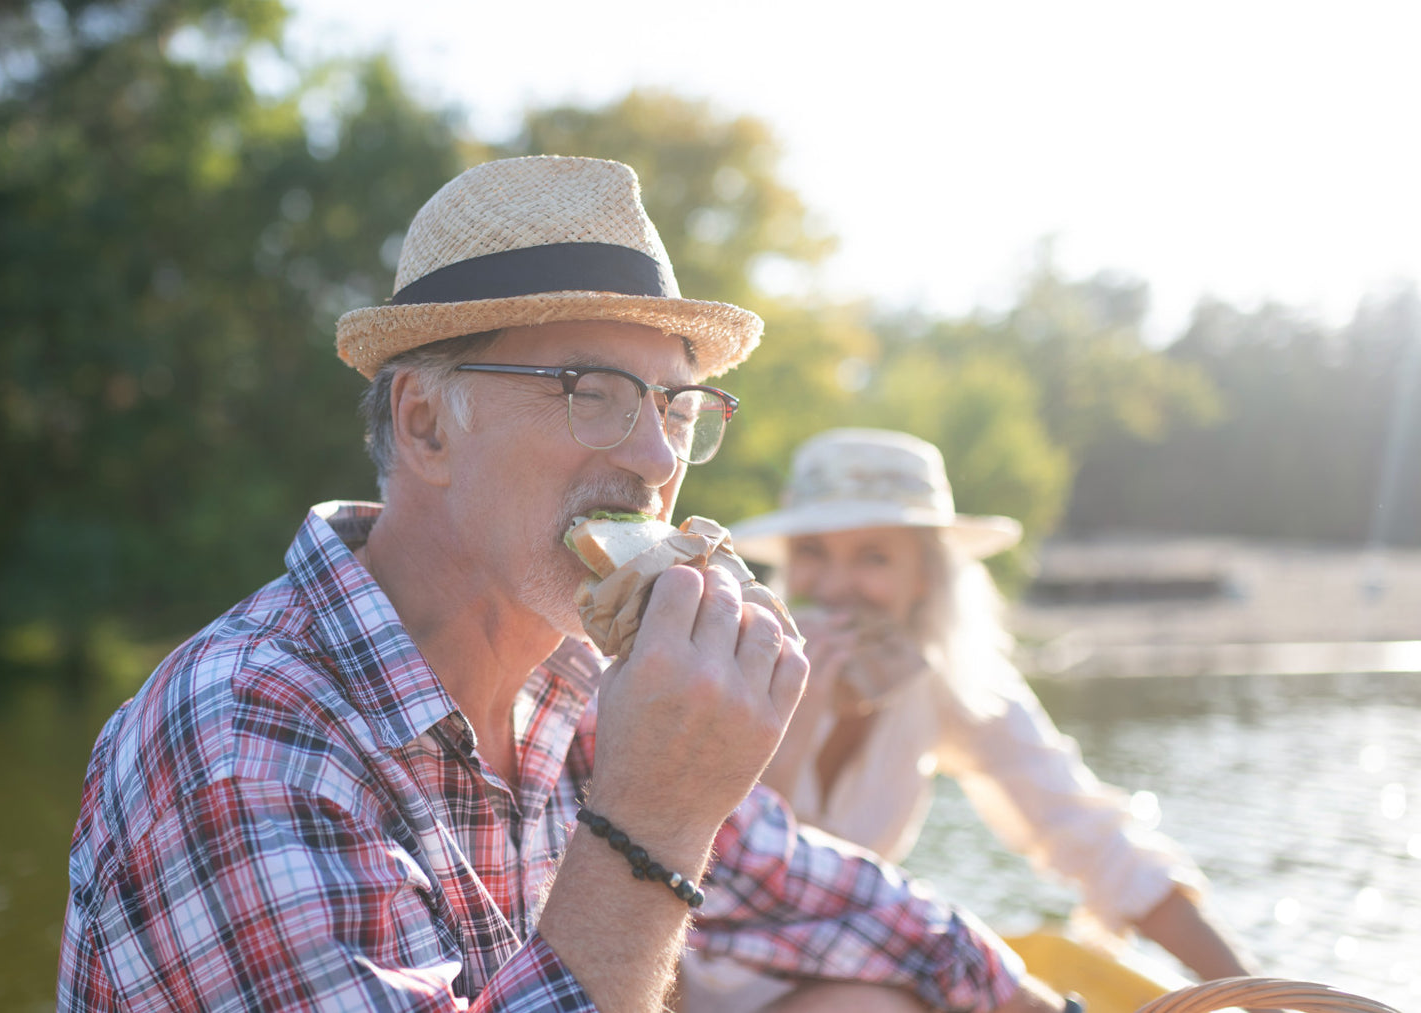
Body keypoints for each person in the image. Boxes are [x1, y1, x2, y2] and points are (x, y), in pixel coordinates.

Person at [57, 156, 1068, 1013]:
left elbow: (804, 886)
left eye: (675, 405)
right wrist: (652, 818)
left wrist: (1041, 1002)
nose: (650, 457)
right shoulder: (244, 737)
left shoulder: (581, 676)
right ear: (424, 424)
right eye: (589, 391)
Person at [680, 427, 1261, 1012]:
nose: (833, 589)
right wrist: (795, 715)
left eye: (874, 557)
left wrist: (1258, 995)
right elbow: (722, 869)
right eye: (813, 553)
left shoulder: (948, 684)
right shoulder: (726, 662)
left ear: (924, 577)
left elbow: (1094, 838)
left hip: (840, 981)